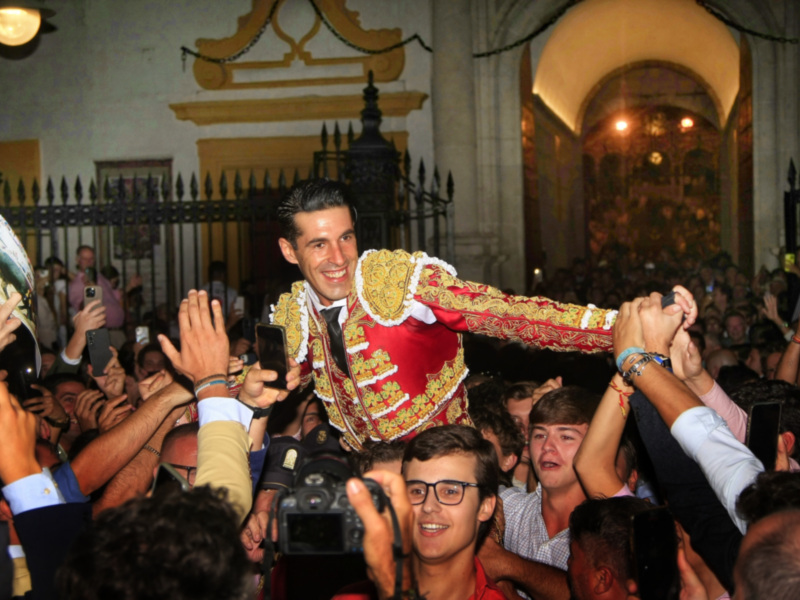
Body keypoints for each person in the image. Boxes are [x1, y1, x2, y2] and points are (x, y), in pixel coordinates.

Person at [270, 179, 666, 449]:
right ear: (290, 252)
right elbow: (269, 384)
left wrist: (624, 327)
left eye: (346, 238)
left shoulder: (401, 281)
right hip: (369, 488)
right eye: (319, 245)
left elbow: (510, 316)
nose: (339, 258)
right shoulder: (293, 313)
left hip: (452, 475)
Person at [67, 245, 136, 347]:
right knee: (102, 361)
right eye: (85, 259)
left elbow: (114, 296)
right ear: (78, 260)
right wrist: (91, 289)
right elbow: (82, 307)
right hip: (98, 333)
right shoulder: (76, 284)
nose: (89, 262)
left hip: (117, 331)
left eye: (91, 259)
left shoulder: (100, 277)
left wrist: (130, 286)